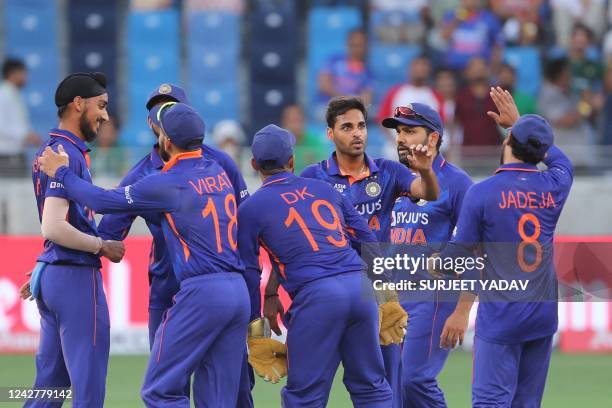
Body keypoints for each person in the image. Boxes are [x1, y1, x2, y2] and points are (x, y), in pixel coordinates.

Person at [38, 102, 252, 407]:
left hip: (202, 292)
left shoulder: (167, 182)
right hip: (238, 290)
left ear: (166, 141)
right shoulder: (219, 169)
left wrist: (62, 173)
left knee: (160, 391)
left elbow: (101, 201)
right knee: (219, 398)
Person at [265, 96, 440, 408]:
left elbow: (427, 192)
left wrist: (426, 172)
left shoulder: (387, 172)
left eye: (361, 126)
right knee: (310, 387)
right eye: (347, 127)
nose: (357, 133)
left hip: (376, 294)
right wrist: (273, 290)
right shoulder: (311, 178)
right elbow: (290, 240)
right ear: (330, 134)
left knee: (382, 388)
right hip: (326, 291)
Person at [96, 83, 253, 406]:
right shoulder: (141, 174)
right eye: (156, 107)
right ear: (152, 124)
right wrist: (60, 255)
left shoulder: (221, 162)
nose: (161, 112)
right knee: (170, 384)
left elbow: (246, 230)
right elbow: (110, 229)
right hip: (168, 288)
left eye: (170, 105)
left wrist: (254, 306)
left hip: (213, 284)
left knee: (233, 391)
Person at [238, 124, 406, 406]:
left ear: (254, 164)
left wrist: (256, 335)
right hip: (359, 288)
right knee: (372, 388)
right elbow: (366, 239)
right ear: (292, 161)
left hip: (317, 298)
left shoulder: (251, 208)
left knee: (305, 396)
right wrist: (388, 296)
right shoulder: (324, 189)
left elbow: (249, 273)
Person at [432, 87, 573, 407]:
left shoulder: (483, 193)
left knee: (490, 402)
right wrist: (519, 123)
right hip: (542, 314)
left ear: (508, 143)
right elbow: (562, 162)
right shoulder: (555, 185)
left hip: (502, 316)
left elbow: (455, 258)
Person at [24, 72, 125, 407]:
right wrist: (101, 245)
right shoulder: (64, 153)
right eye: (101, 106)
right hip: (76, 278)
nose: (106, 116)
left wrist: (48, 263)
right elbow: (53, 226)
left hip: (56, 274)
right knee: (89, 388)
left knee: (47, 392)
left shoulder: (53, 149)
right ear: (78, 104)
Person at [381, 103, 474, 407]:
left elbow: (476, 247)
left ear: (432, 138)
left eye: (409, 131)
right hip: (392, 298)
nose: (401, 138)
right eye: (398, 131)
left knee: (414, 380)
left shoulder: (458, 184)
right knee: (392, 388)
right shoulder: (392, 179)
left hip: (433, 298)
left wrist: (461, 311)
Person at [0, 58, 41, 177]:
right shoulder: (3, 96)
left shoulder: (14, 94)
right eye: (23, 73)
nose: (25, 77)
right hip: (7, 157)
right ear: (12, 73)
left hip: (15, 156)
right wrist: (26, 136)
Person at [439, 0, 504, 72]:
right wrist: (457, 19)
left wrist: (493, 69)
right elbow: (444, 36)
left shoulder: (489, 19)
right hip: (453, 69)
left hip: (478, 71)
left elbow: (497, 46)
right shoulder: (451, 15)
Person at [318, 30, 373, 106]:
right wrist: (347, 99)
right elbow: (324, 86)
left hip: (350, 110)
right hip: (327, 107)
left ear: (366, 47)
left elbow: (366, 99)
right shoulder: (333, 60)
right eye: (353, 45)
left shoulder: (368, 73)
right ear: (347, 44)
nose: (356, 49)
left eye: (360, 45)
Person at [455, 58, 501, 146]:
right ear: (467, 72)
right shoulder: (461, 96)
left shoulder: (497, 94)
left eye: (481, 66)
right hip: (468, 149)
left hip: (493, 149)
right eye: (474, 67)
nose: (478, 69)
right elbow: (456, 122)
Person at [281, 104, 328, 173]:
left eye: (298, 120)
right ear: (284, 123)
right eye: (292, 121)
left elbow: (322, 168)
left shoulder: (315, 142)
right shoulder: (279, 143)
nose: (295, 125)